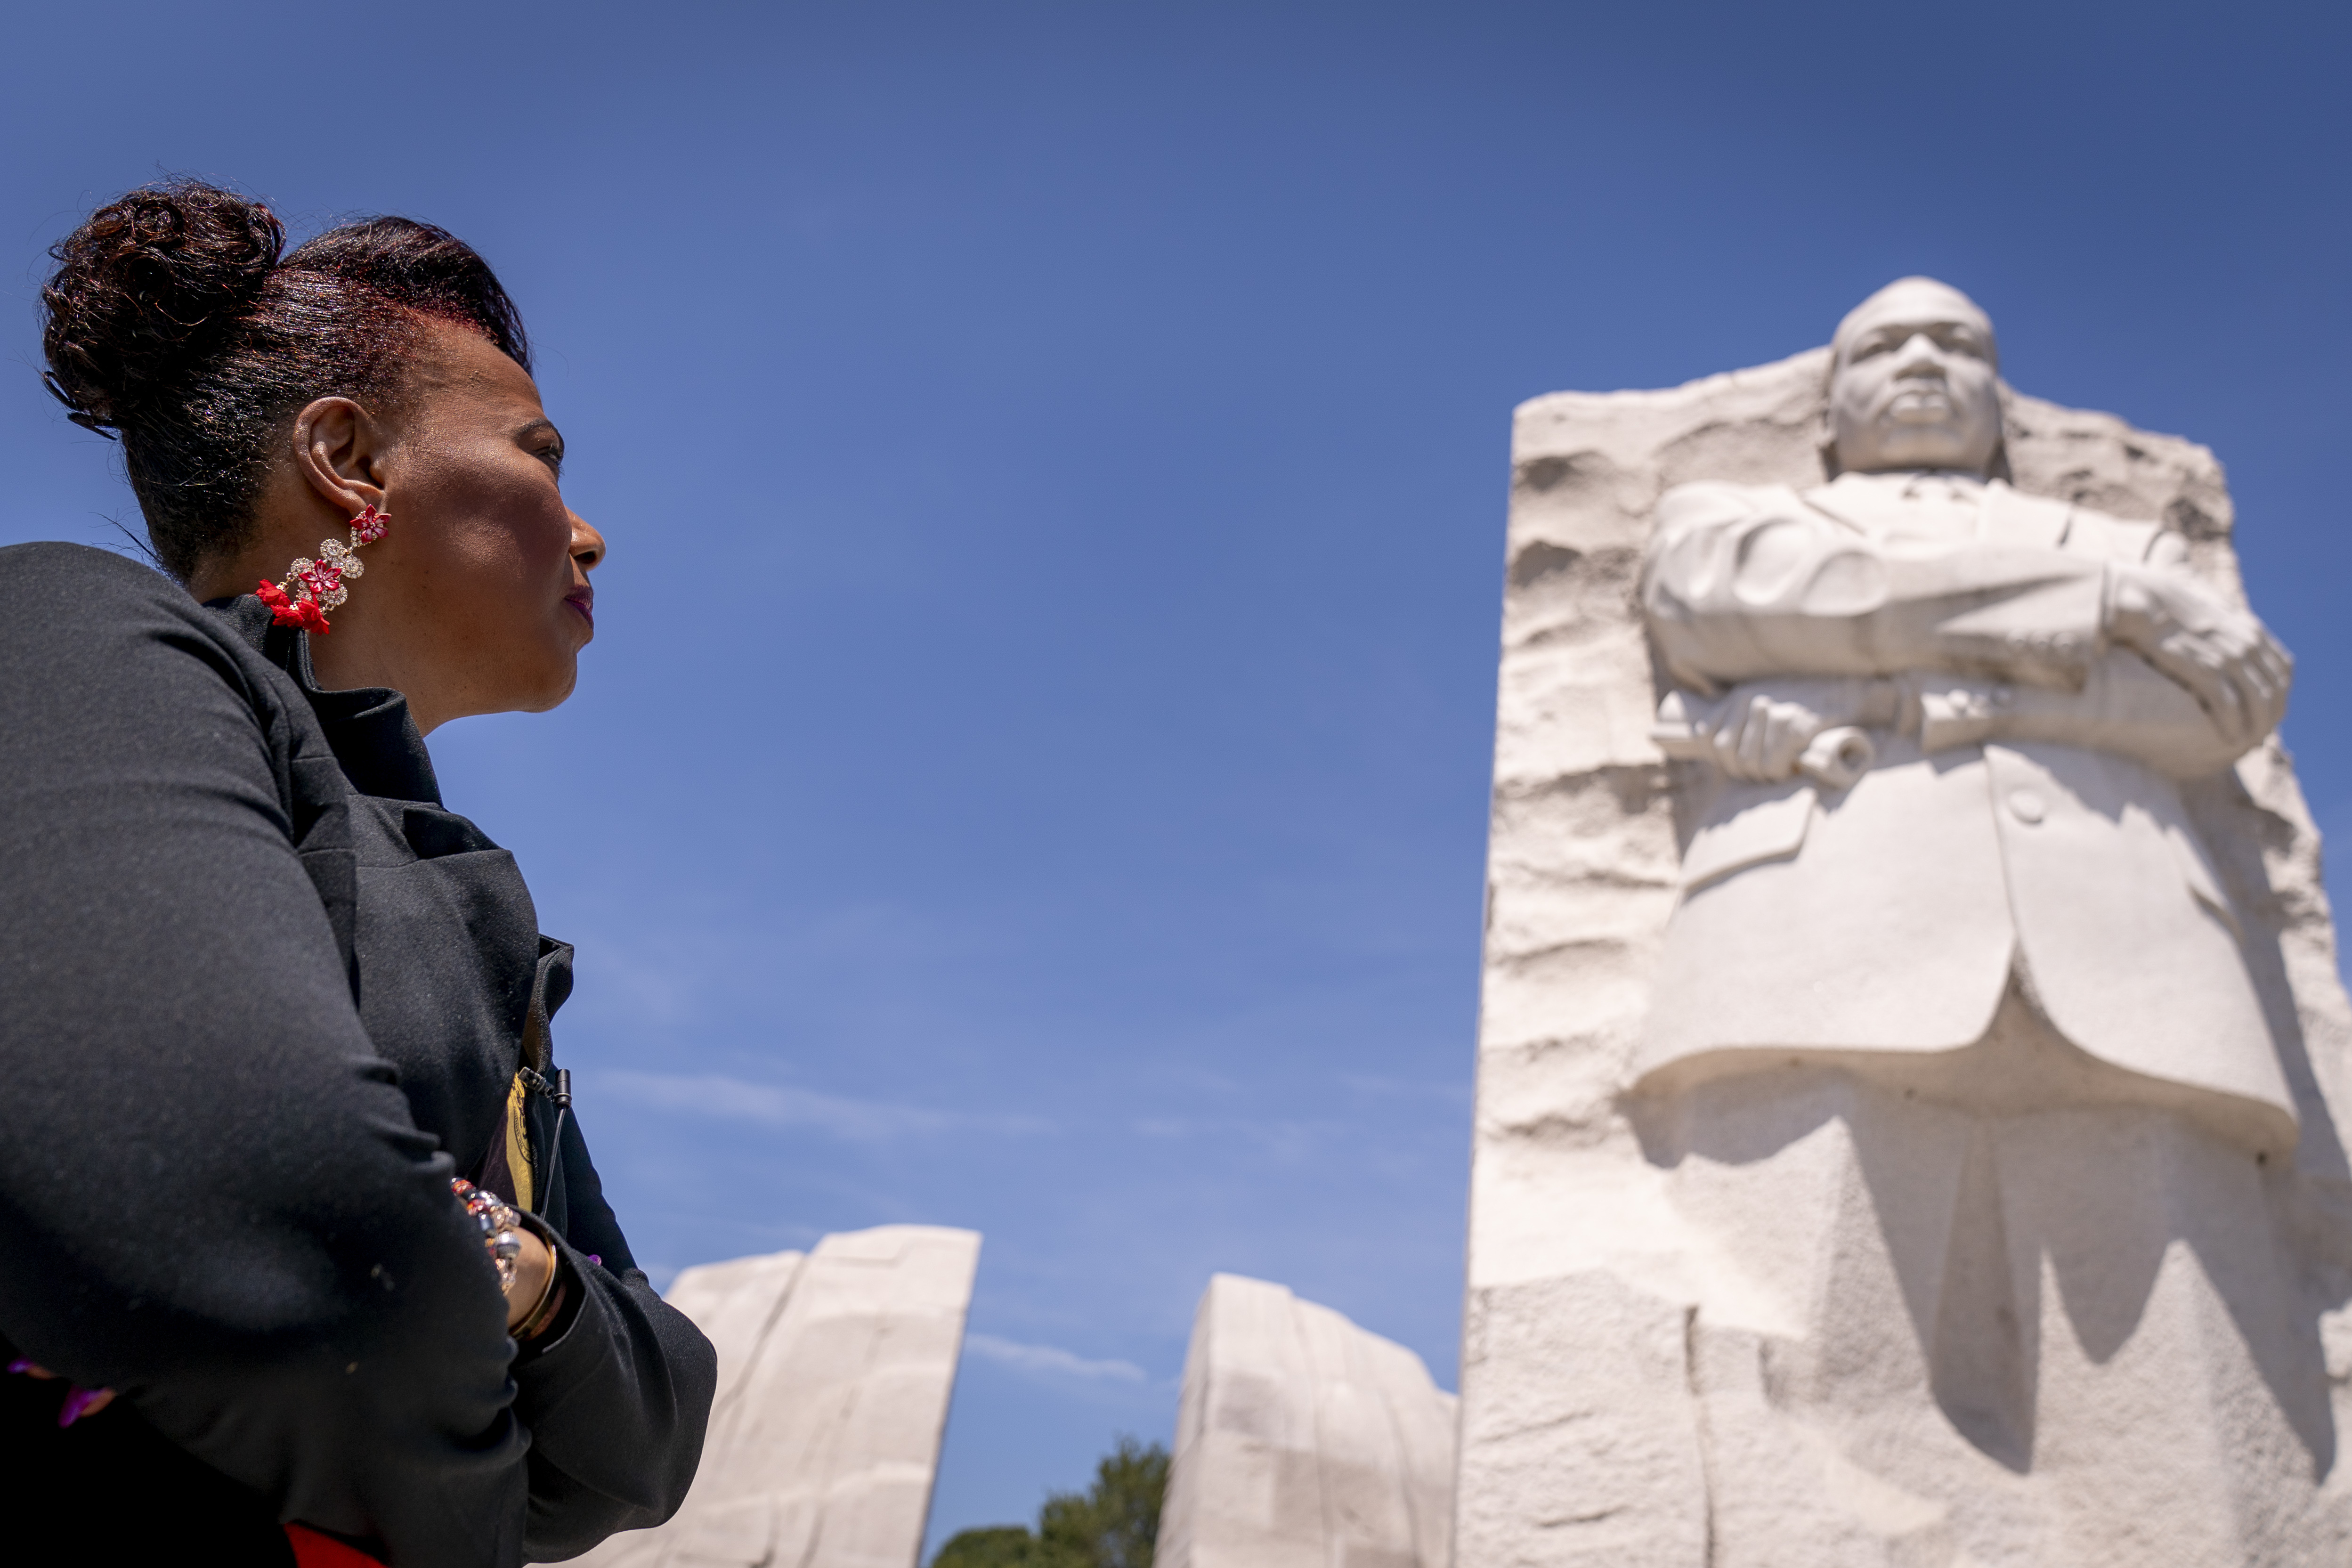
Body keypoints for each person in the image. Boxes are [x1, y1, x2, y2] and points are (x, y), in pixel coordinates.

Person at [0, 181, 716, 1566]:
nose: (589, 530)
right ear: (348, 455)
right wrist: (491, 1307)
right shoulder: (66, 638)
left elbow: (648, 1438)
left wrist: (493, 1269)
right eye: (539, 451)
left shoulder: (475, 908)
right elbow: (255, 1205)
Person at [1635, 275, 2297, 1154]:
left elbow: (2222, 707)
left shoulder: (2129, 541)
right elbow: (1721, 608)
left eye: (1958, 345)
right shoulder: (1735, 522)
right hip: (1811, 948)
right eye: (1880, 347)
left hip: (2141, 958)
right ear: (1824, 418)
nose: (1921, 360)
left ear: (2001, 409)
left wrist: (1919, 697)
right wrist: (2107, 605)